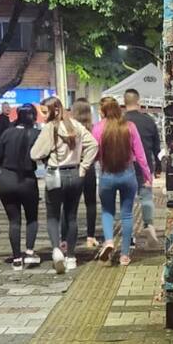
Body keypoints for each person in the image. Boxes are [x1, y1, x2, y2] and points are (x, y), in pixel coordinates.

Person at [33, 96, 98, 273]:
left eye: (44, 111)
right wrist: (84, 166)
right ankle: (71, 257)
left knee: (53, 216)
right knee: (71, 216)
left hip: (55, 174)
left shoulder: (49, 128)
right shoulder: (75, 125)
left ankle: (56, 249)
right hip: (75, 174)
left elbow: (35, 153)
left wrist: (48, 151)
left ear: (54, 110)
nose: (42, 115)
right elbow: (93, 144)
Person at [92, 96, 152, 265]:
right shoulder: (129, 126)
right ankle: (125, 255)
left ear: (103, 111)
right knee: (127, 215)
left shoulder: (98, 128)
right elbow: (140, 154)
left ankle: (109, 241)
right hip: (128, 174)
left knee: (107, 211)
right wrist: (147, 175)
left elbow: (93, 152)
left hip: (106, 175)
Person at [0, 103, 41, 269]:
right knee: (32, 218)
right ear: (33, 117)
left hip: (7, 179)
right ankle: (29, 252)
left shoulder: (7, 133)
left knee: (14, 221)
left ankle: (16, 259)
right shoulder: (36, 134)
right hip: (27, 180)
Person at [122, 88, 161, 248]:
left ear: (124, 102)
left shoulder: (120, 121)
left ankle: (130, 237)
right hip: (145, 165)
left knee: (127, 201)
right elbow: (157, 147)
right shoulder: (148, 120)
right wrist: (157, 166)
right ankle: (149, 225)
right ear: (138, 102)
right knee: (146, 197)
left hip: (125, 166)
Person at [71, 99, 101, 249]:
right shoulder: (93, 129)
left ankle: (68, 237)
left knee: (71, 204)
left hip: (72, 168)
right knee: (91, 203)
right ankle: (90, 237)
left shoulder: (70, 128)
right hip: (89, 169)